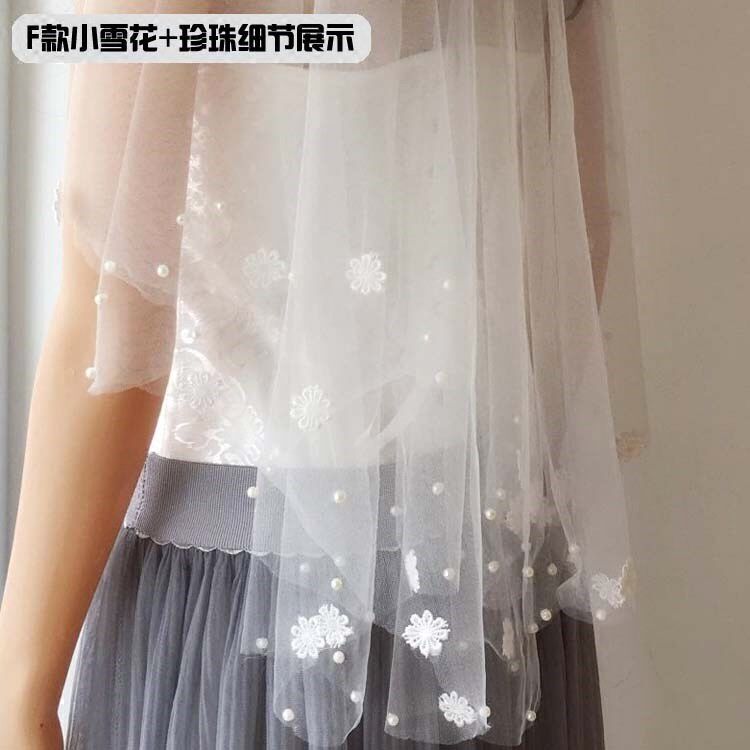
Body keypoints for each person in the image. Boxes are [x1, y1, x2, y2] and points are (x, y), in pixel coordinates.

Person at [0, 2, 638, 748]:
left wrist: (20, 698)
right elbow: (569, 268)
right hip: (482, 592)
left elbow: (111, 334)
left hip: (236, 606)